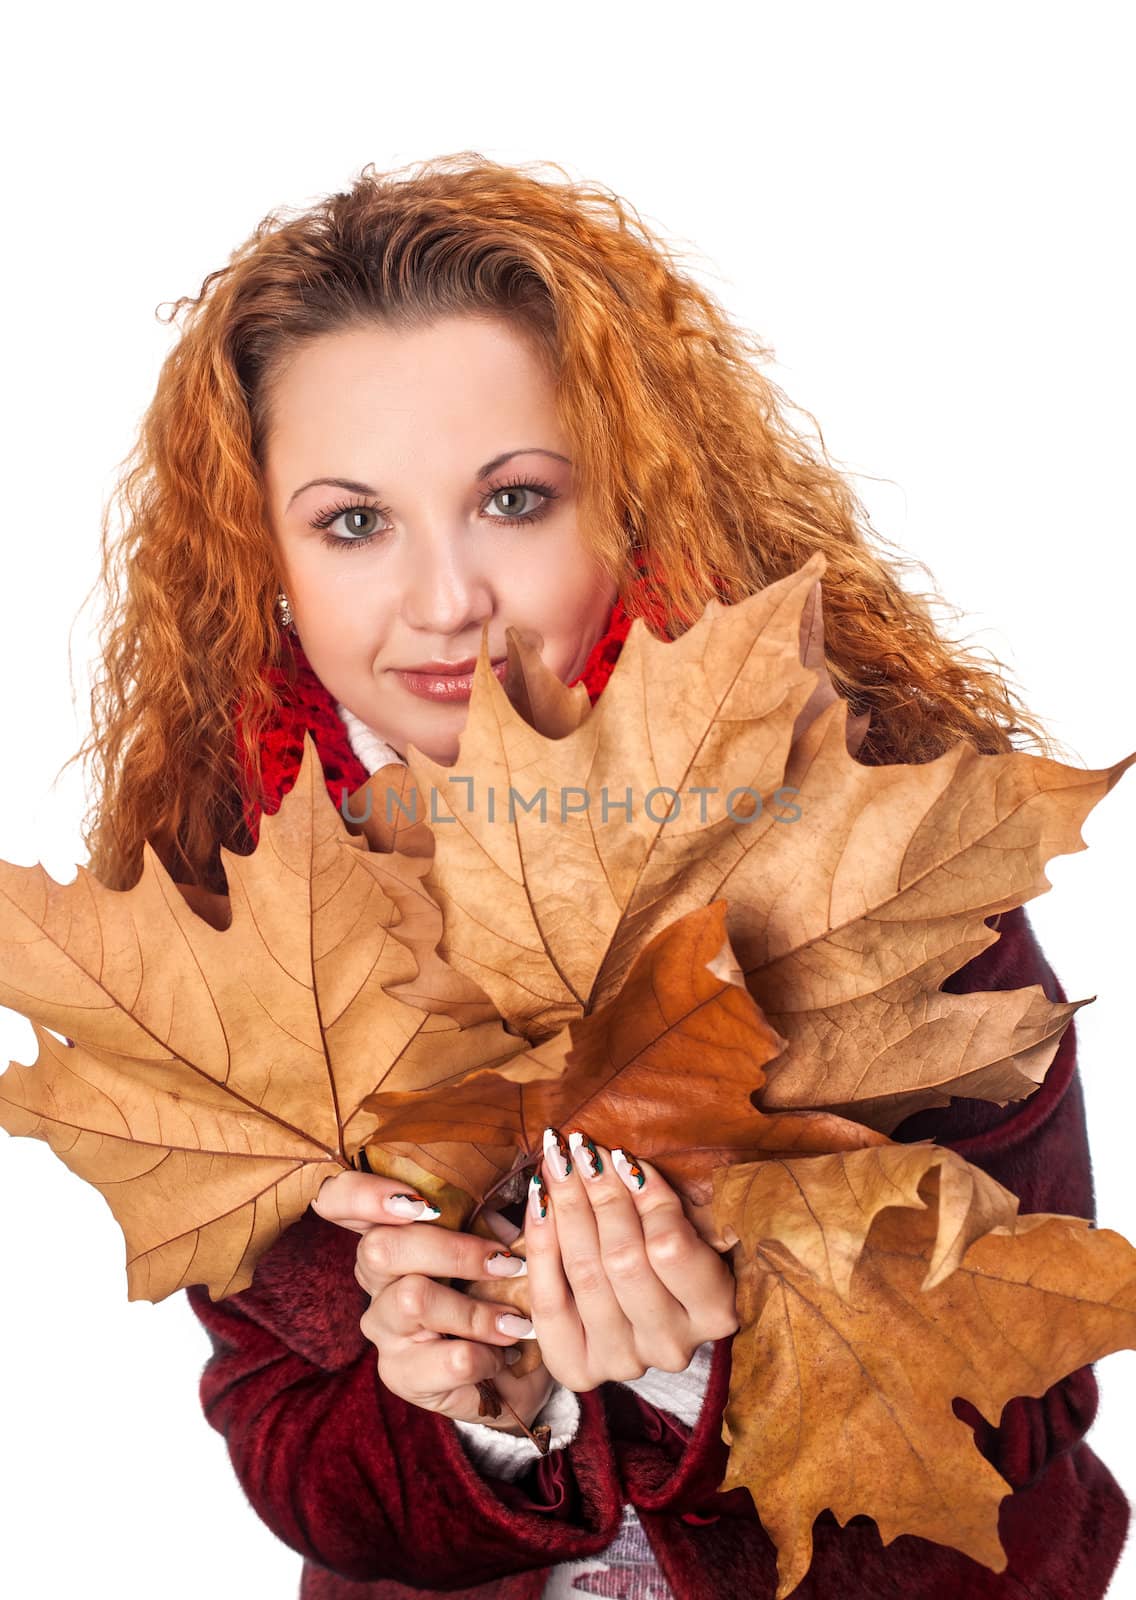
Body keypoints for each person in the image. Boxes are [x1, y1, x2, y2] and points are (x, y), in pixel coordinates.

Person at [66, 152, 1129, 1598]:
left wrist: (707, 1374)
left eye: (513, 501)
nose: (446, 603)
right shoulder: (234, 913)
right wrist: (490, 1424)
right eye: (355, 522)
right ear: (264, 551)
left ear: (627, 502)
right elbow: (293, 1451)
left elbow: (1029, 1400)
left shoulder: (863, 850)